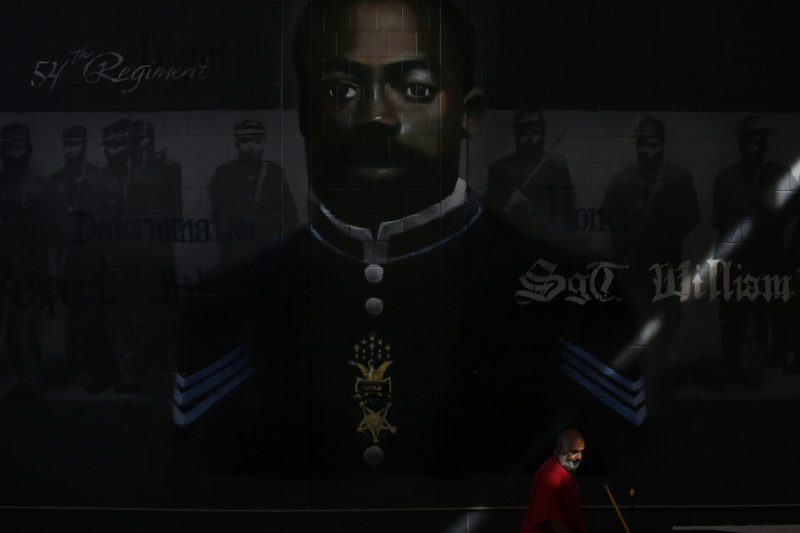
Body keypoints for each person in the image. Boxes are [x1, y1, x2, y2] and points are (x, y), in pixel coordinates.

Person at [175, 0, 629, 481]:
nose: (375, 115)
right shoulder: (228, 307)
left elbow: (609, 488)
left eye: (416, 88)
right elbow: (207, 491)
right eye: (340, 88)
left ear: (469, 113)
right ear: (306, 112)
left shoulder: (580, 300)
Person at [601, 116, 700, 420]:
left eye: (651, 142)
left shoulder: (678, 177)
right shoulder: (623, 179)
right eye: (642, 142)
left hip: (664, 266)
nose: (646, 149)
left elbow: (691, 217)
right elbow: (608, 216)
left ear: (661, 143)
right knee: (640, 331)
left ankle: (653, 395)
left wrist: (661, 234)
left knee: (662, 331)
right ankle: (644, 395)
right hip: (634, 268)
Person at [714, 116, 799, 384]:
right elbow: (719, 220)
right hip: (747, 256)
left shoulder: (773, 174)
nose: (751, 146)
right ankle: (742, 365)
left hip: (763, 255)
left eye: (755, 140)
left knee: (769, 312)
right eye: (746, 140)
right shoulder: (730, 177)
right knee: (740, 314)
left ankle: (764, 365)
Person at [207, 119, 295, 266]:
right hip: (236, 249)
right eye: (245, 140)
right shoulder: (224, 173)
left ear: (265, 140)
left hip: (268, 249)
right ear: (237, 143)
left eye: (257, 139)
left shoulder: (275, 172)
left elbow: (289, 215)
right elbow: (219, 214)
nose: (252, 145)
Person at [484, 109, 575, 235]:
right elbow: (489, 213)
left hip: (546, 238)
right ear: (516, 133)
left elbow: (566, 208)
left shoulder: (556, 164)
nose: (531, 136)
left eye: (535, 130)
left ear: (542, 131)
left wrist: (529, 206)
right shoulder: (500, 167)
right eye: (524, 131)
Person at [519, 428, 586, 533]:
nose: (579, 457)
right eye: (574, 451)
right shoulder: (551, 474)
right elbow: (550, 518)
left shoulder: (564, 471)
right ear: (560, 448)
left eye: (581, 451)